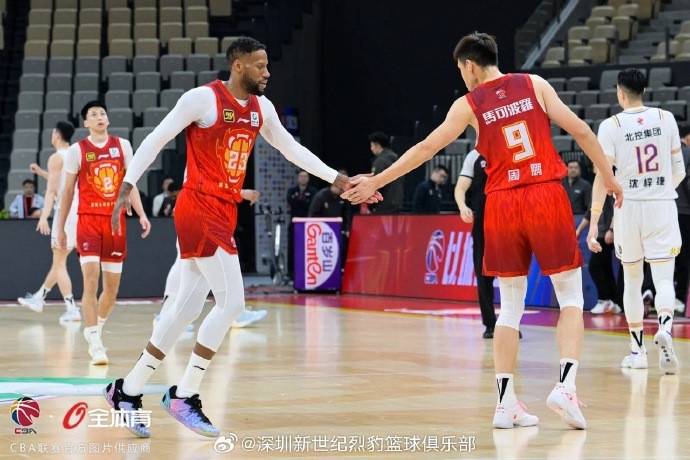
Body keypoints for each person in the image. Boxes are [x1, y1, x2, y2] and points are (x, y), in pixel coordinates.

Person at [343, 32, 623, 430]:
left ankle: (505, 404)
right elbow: (581, 131)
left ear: (470, 65)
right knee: (571, 296)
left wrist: (377, 180)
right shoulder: (534, 84)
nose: (462, 76)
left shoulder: (468, 104)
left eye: (460, 69)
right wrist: (608, 177)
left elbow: (425, 148)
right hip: (544, 193)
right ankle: (565, 386)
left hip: (502, 203)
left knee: (509, 307)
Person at [104, 37, 379, 439]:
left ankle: (126, 390)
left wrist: (338, 179)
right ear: (238, 66)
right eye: (259, 65)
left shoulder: (262, 109)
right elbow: (156, 139)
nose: (267, 72)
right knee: (232, 302)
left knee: (185, 309)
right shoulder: (203, 99)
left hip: (224, 209)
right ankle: (185, 394)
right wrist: (127, 186)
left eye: (267, 65)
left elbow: (292, 149)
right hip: (199, 206)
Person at [590, 68, 685, 375]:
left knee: (632, 280)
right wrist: (660, 190)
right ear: (644, 90)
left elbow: (602, 178)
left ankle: (638, 352)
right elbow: (679, 171)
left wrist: (594, 223)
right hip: (661, 205)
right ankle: (665, 328)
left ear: (620, 93)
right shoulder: (666, 118)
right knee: (664, 278)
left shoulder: (611, 125)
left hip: (627, 206)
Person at [58, 100, 151, 366]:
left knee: (111, 290)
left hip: (115, 223)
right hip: (88, 222)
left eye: (102, 113)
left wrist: (142, 214)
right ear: (86, 122)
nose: (99, 117)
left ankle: (95, 329)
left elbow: (130, 184)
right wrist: (62, 226)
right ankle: (95, 342)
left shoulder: (123, 146)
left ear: (107, 120)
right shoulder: (77, 151)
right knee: (91, 281)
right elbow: (68, 191)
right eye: (93, 114)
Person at [154, 188, 268, 332]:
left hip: (197, 211)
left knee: (188, 265)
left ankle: (167, 315)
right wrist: (241, 193)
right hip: (200, 214)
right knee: (216, 262)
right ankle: (234, 313)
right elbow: (209, 185)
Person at [17, 121, 81, 323]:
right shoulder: (76, 153)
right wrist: (42, 173)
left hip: (65, 213)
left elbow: (52, 191)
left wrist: (44, 216)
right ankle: (39, 298)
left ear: (57, 135)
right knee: (59, 260)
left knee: (59, 263)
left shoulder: (56, 157)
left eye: (53, 132)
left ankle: (72, 309)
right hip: (80, 212)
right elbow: (63, 182)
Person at [455, 150, 497, 339]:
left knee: (513, 274)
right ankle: (490, 324)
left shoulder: (509, 148)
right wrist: (462, 206)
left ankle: (510, 323)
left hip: (507, 217)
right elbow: (460, 188)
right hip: (481, 221)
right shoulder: (473, 156)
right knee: (482, 273)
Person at [575, 187, 622, 315]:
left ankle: (604, 299)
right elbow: (590, 212)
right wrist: (579, 230)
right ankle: (613, 301)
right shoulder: (597, 187)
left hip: (605, 233)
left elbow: (617, 209)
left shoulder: (609, 186)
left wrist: (611, 230)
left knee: (594, 266)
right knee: (606, 267)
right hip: (598, 233)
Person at [286, 170, 317, 278]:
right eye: (301, 176)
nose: (303, 178)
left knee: (308, 248)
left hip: (308, 224)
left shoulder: (313, 191)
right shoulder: (291, 190)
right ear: (298, 178)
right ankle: (291, 272)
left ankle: (307, 271)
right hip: (294, 223)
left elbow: (311, 205)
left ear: (308, 179)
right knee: (292, 247)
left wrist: (299, 202)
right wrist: (303, 202)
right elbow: (291, 202)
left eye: (305, 176)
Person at [674, 123, 690, 314]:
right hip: (684, 212)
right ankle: (679, 299)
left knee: (667, 256)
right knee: (685, 258)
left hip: (663, 210)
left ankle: (659, 297)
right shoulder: (688, 154)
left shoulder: (664, 153)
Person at [368, 131, 404, 214]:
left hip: (383, 207)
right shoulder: (398, 160)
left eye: (372, 145)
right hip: (398, 205)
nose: (371, 148)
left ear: (377, 145)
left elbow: (376, 184)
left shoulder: (380, 161)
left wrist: (371, 206)